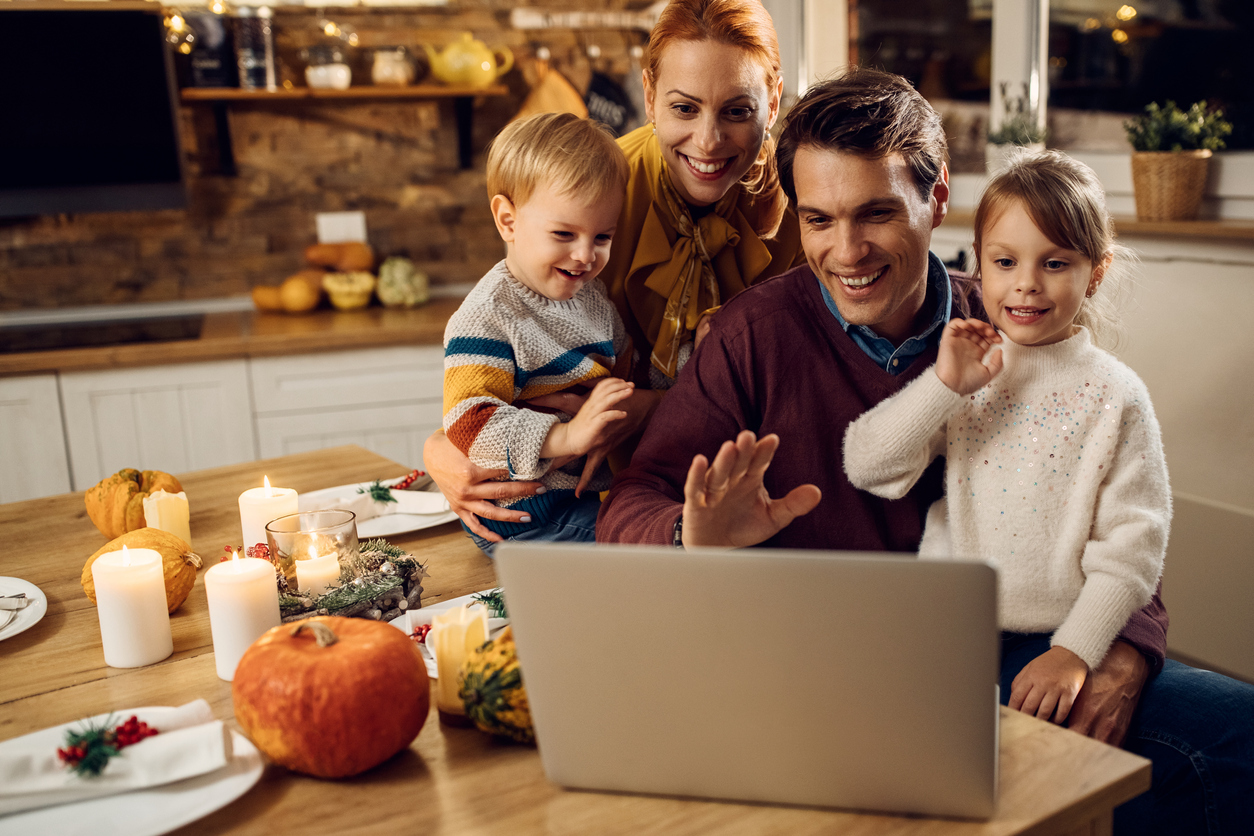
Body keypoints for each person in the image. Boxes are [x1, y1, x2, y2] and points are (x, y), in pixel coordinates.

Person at [598, 67, 1254, 833]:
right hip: (816, 673)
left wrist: (1126, 653)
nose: (846, 252)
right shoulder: (753, 336)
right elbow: (634, 501)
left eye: (876, 213)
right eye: (818, 220)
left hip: (1001, 660)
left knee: (1234, 741)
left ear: (937, 198)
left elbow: (1125, 523)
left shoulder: (1017, 321)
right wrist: (691, 534)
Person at [424, 0, 805, 543]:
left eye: (737, 111)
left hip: (758, 488)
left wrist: (654, 403)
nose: (708, 141)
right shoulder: (598, 193)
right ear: (649, 95)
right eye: (684, 108)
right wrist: (438, 446)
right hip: (609, 497)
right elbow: (501, 360)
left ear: (771, 100)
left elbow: (809, 389)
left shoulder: (807, 211)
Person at [843, 151, 1169, 727]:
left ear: (1095, 273)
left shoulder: (1117, 396)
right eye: (1005, 260)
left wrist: (1075, 651)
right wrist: (944, 386)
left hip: (1059, 642)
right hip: (949, 638)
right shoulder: (966, 369)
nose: (1025, 284)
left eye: (1055, 263)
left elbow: (1133, 550)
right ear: (981, 265)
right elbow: (867, 464)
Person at [441, 113, 645, 554]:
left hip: (578, 497)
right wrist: (568, 437)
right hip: (519, 513)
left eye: (603, 236)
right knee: (642, 554)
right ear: (508, 221)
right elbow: (469, 422)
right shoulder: (488, 314)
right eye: (564, 233)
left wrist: (695, 358)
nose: (585, 255)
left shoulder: (594, 301)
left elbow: (630, 373)